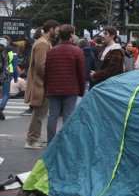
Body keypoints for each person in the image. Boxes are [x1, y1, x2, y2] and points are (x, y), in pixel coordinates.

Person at [43, 24, 85, 144]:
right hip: (71, 88)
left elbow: (47, 72)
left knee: (52, 116)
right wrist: (81, 90)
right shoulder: (77, 51)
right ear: (71, 35)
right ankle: (66, 142)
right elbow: (81, 73)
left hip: (53, 88)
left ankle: (50, 142)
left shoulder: (51, 51)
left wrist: (47, 89)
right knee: (68, 116)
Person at [24, 20, 60, 148]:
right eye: (56, 30)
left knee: (39, 113)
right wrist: (51, 79)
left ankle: (34, 138)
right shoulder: (43, 43)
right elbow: (41, 66)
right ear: (51, 29)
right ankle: (32, 140)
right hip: (41, 84)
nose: (57, 32)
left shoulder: (43, 42)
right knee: (39, 113)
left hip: (41, 83)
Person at [0, 37, 19, 120]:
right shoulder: (11, 51)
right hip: (7, 74)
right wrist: (16, 76)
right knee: (5, 94)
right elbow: (14, 66)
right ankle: (0, 108)